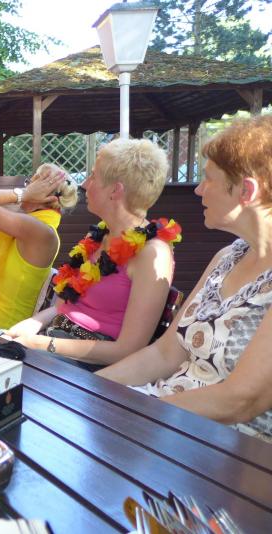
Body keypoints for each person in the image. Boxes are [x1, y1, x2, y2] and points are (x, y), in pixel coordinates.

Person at [97, 116, 272, 443]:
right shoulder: (227, 257)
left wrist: (131, 414)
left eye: (208, 179)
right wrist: (89, 390)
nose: (198, 189)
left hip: (225, 452)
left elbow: (240, 400)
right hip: (164, 421)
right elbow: (164, 354)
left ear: (246, 191)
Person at [6, 138, 181, 371]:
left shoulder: (153, 254)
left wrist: (41, 344)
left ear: (115, 190)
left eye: (93, 176)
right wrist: (32, 324)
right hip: (52, 343)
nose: (85, 183)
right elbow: (63, 307)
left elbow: (128, 350)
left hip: (87, 367)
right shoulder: (99, 236)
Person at [0, 163, 79, 328]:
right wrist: (25, 195)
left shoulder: (41, 231)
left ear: (48, 198)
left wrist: (24, 194)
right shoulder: (32, 219)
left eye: (32, 183)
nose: (27, 187)